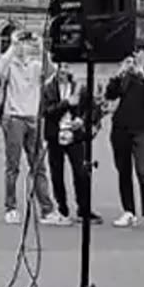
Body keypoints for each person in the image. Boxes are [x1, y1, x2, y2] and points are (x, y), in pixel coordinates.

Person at [0, 32, 64, 226]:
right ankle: (11, 207)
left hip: (33, 118)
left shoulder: (36, 66)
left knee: (38, 166)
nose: (24, 47)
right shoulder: (10, 65)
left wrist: (41, 46)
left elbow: (51, 71)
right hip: (14, 118)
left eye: (26, 44)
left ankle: (47, 209)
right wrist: (12, 45)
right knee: (12, 166)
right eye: (21, 44)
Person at [104, 53, 144, 233]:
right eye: (128, 61)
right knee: (124, 171)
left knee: (142, 171)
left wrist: (141, 76)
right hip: (121, 129)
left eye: (134, 61)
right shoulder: (122, 79)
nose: (131, 65)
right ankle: (128, 211)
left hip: (142, 130)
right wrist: (118, 75)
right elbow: (110, 94)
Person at [41, 65, 102, 224]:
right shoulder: (48, 88)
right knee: (57, 173)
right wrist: (66, 103)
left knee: (81, 171)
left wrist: (82, 120)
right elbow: (46, 111)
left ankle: (84, 209)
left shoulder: (79, 88)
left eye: (66, 69)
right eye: (60, 70)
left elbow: (93, 109)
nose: (63, 73)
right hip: (55, 135)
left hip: (74, 135)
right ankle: (62, 208)